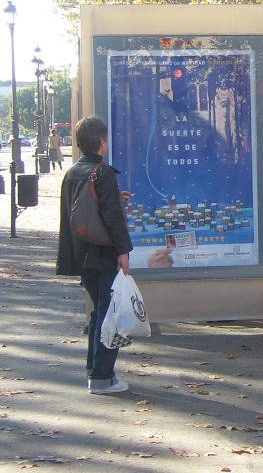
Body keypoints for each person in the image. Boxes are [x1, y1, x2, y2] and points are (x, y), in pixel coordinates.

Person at [56, 116, 133, 394]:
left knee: (98, 311)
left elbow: (79, 212)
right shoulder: (103, 173)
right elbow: (112, 219)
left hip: (80, 253)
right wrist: (123, 251)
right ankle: (102, 376)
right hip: (103, 254)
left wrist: (113, 195)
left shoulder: (73, 171)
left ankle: (95, 369)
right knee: (108, 314)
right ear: (102, 142)